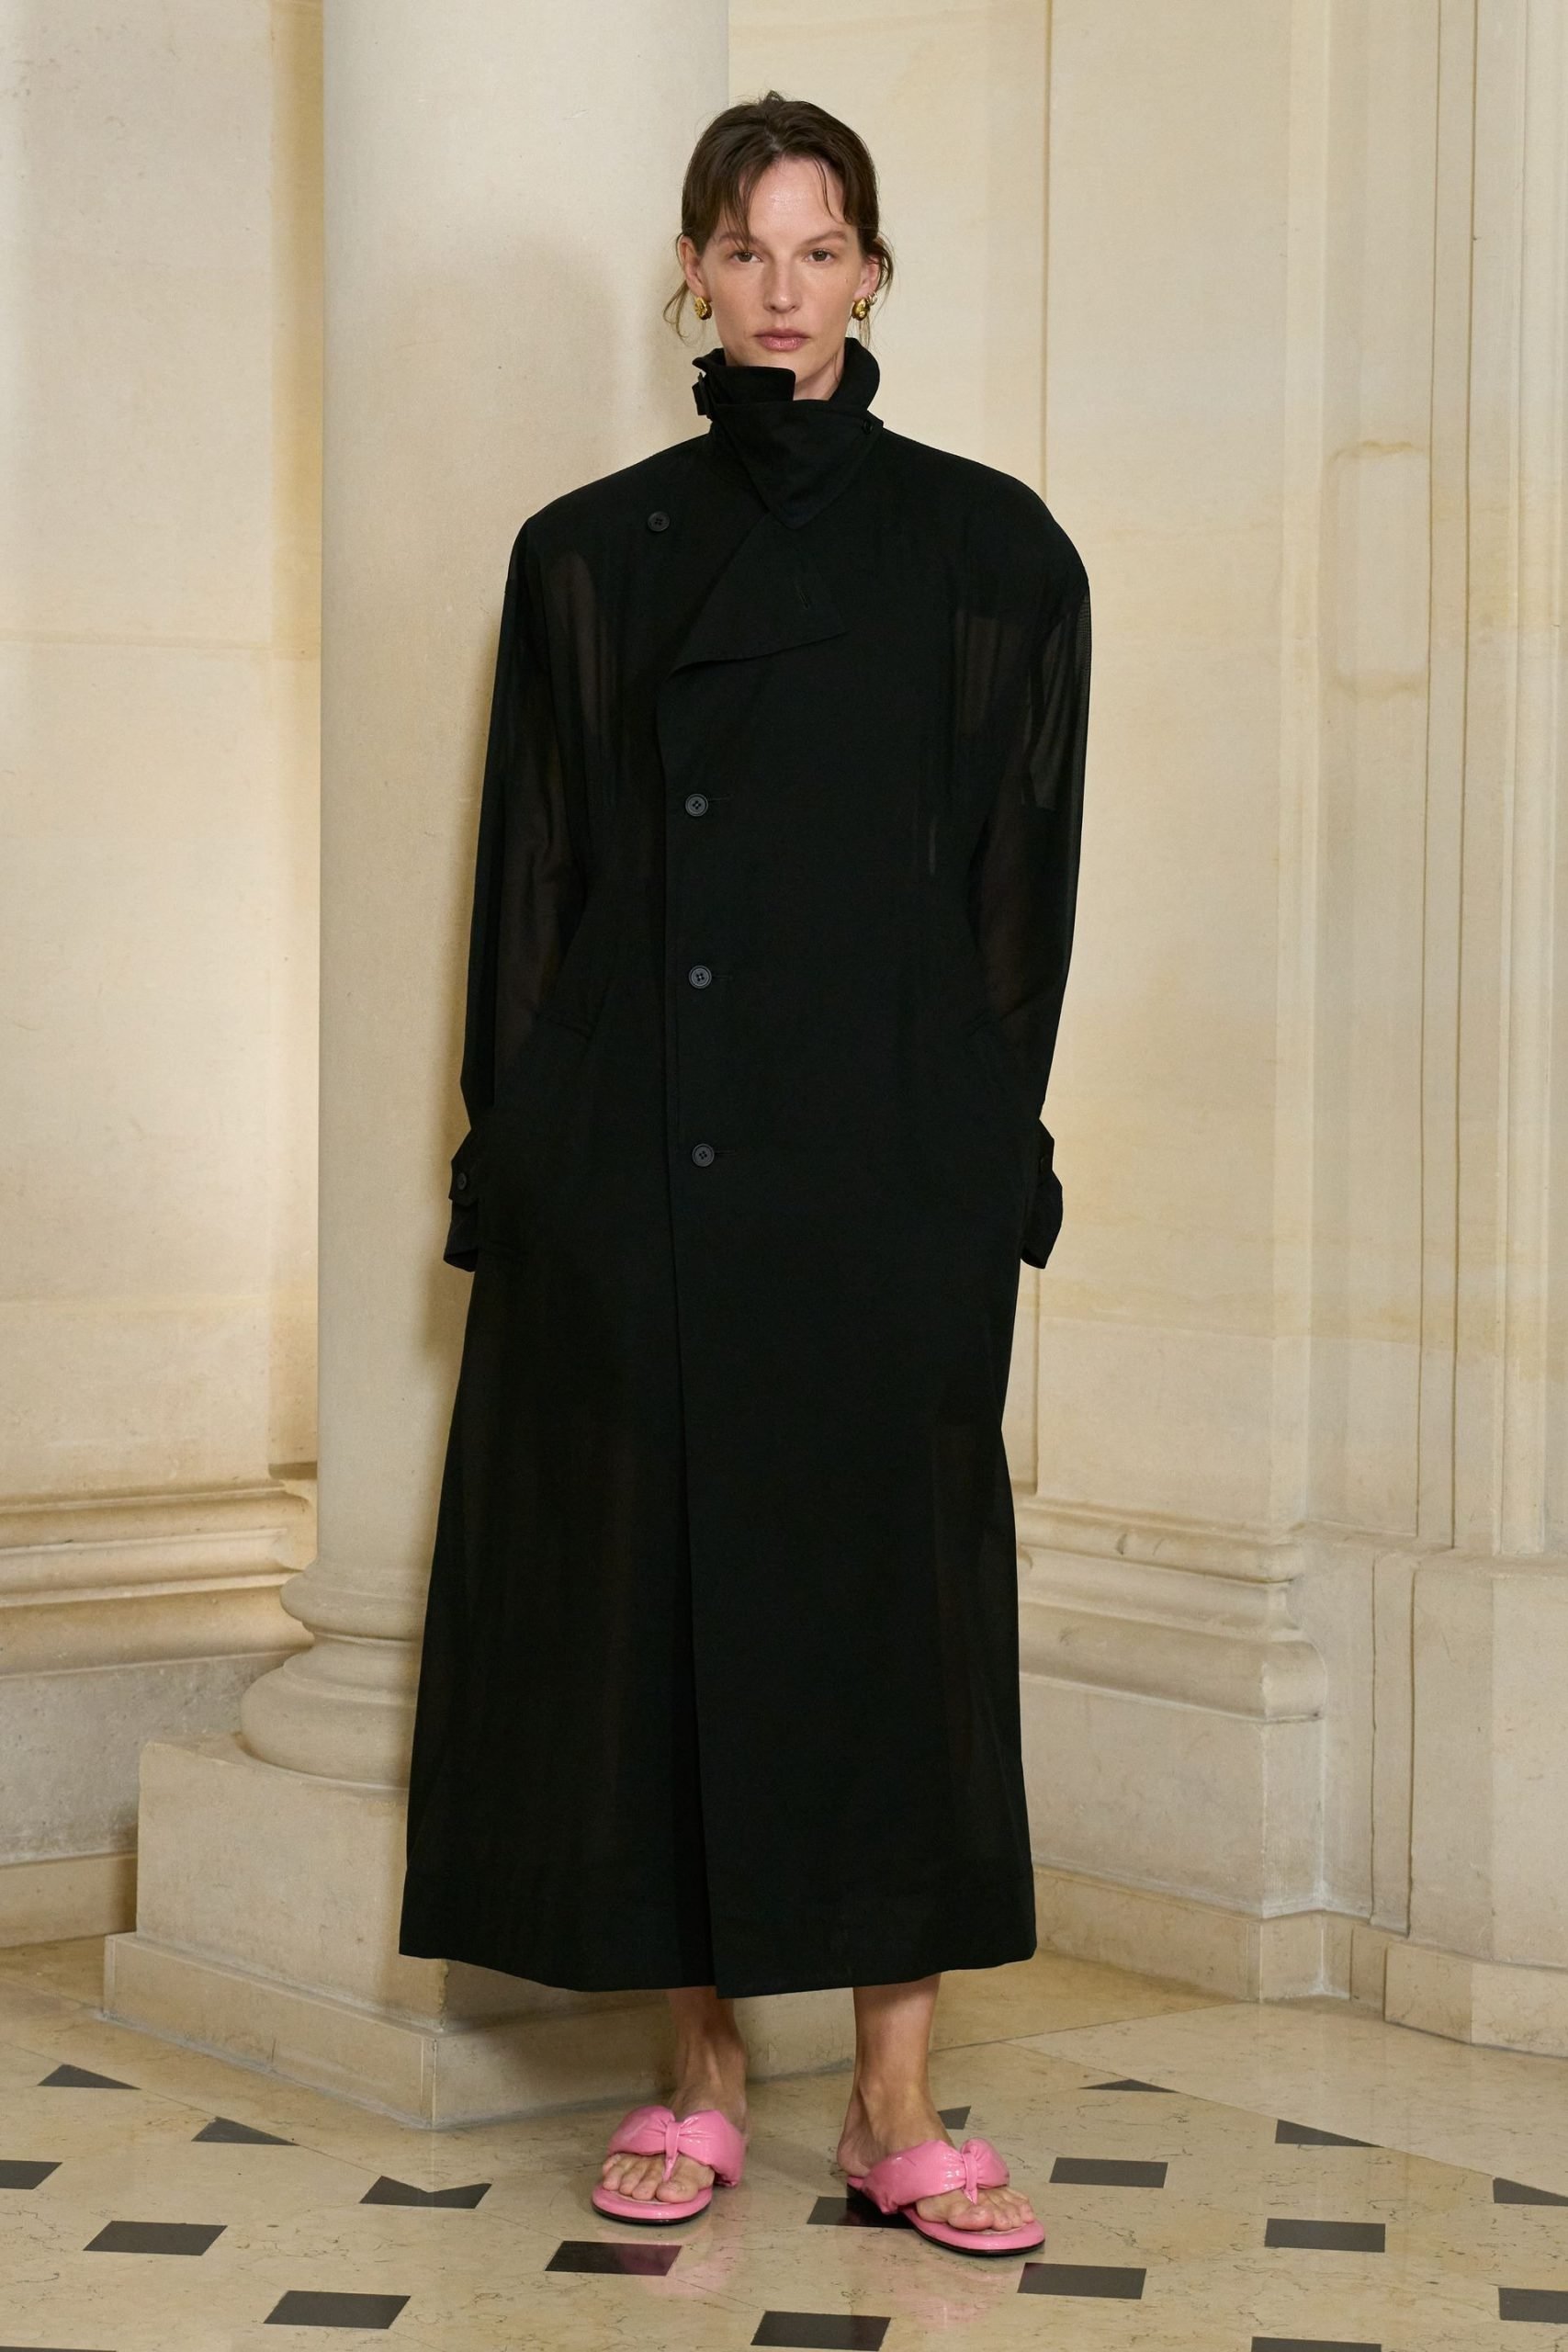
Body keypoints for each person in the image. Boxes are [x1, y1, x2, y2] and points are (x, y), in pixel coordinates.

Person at [399, 90, 1090, 2258]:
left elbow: (1016, 896)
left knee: (892, 1610)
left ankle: (894, 2099)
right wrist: (518, 1153)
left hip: (882, 1171)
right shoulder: (587, 551)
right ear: (689, 276)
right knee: (665, 1599)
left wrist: (976, 1157)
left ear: (872, 271)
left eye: (818, 248)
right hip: (646, 1162)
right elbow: (535, 882)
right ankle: (696, 2074)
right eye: (742, 249)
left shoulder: (993, 550)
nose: (780, 290)